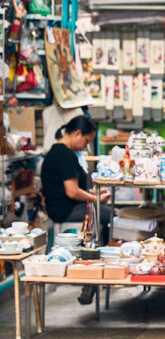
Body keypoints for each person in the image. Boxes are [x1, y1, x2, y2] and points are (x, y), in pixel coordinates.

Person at [41, 115, 112, 305]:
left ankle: (96, 269)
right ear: (77, 133)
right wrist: (96, 198)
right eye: (86, 141)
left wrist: (93, 194)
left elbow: (74, 189)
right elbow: (72, 192)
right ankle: (95, 272)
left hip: (66, 205)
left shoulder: (61, 153)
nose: (86, 146)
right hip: (64, 209)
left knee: (104, 212)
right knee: (109, 215)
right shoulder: (64, 155)